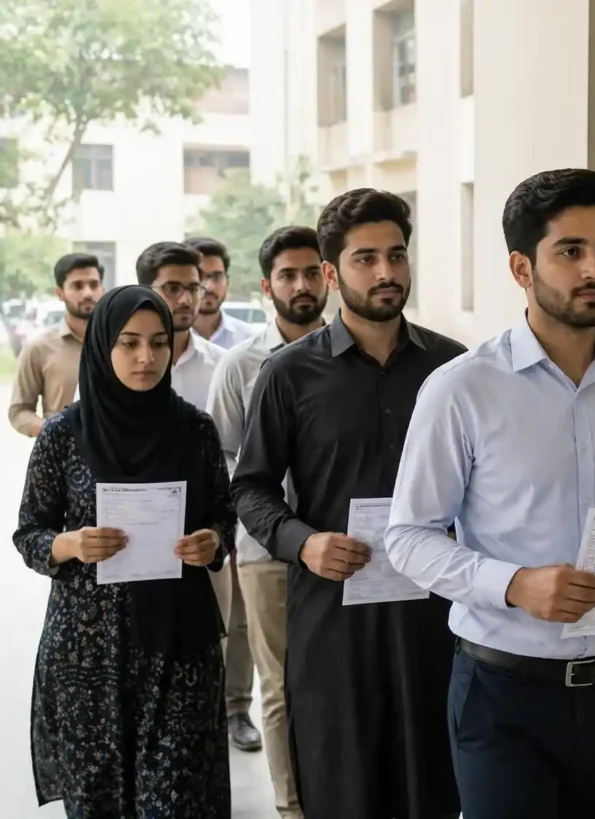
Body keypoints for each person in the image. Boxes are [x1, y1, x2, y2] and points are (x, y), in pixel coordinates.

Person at [384, 169, 595, 819]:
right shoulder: (462, 389)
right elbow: (408, 538)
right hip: (503, 691)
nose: (594, 270)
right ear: (522, 268)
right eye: (570, 251)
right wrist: (514, 584)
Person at [231, 189, 465, 819]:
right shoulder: (288, 373)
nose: (386, 271)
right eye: (366, 259)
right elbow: (249, 487)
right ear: (332, 274)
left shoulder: (453, 369)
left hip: (434, 614)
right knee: (344, 783)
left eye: (397, 255)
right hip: (334, 615)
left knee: (432, 783)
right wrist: (303, 541)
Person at [13, 285, 235, 817]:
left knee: (176, 797)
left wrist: (212, 541)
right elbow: (29, 534)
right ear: (102, 346)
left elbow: (223, 515)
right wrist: (70, 543)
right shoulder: (64, 434)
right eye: (129, 342)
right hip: (89, 653)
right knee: (100, 800)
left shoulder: (195, 429)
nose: (146, 357)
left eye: (159, 342)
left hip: (178, 646)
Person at [207, 225, 329, 819]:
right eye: (287, 275)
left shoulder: (349, 355)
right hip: (266, 552)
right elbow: (224, 459)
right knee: (279, 688)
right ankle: (290, 807)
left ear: (328, 276)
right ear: (266, 286)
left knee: (338, 681)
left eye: (310, 272)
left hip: (344, 549)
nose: (301, 285)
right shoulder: (242, 365)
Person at [134, 241, 260, 752]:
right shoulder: (116, 366)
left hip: (209, 526)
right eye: (172, 288)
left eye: (193, 287)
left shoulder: (223, 365)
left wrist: (226, 523)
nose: (187, 298)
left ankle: (234, 710)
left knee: (230, 624)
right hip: (137, 533)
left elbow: (240, 450)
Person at [9, 253, 104, 436]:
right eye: (77, 286)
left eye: (94, 285)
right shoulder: (39, 348)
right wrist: (54, 433)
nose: (88, 293)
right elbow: (19, 411)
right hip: (61, 452)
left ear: (103, 288)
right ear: (60, 293)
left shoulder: (122, 342)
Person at [185, 236, 257, 348]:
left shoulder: (250, 341)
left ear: (227, 281)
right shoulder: (165, 341)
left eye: (217, 277)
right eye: (199, 277)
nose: (209, 287)